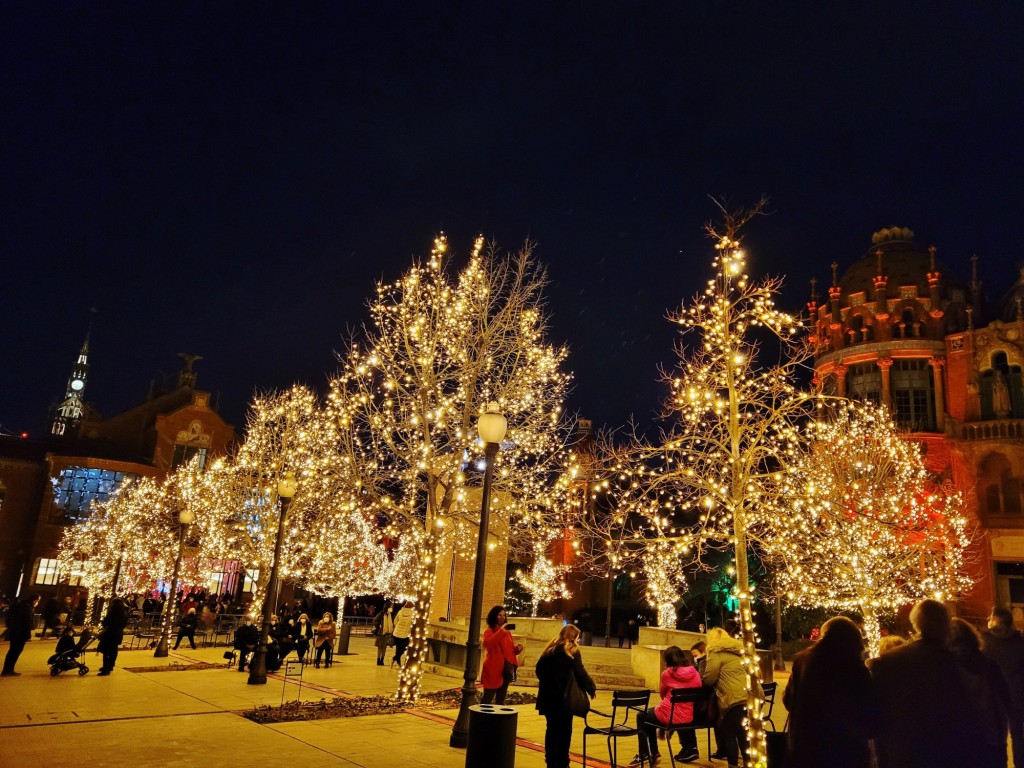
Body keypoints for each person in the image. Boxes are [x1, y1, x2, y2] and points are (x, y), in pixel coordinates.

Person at [870, 598, 973, 768]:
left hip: (903, 752)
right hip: (943, 753)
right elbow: (963, 713)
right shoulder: (952, 662)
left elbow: (878, 712)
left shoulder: (890, 660)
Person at [784, 616, 875, 768]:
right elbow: (865, 712)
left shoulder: (802, 661)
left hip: (806, 749)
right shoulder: (853, 667)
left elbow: (789, 700)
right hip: (844, 752)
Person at [949, 617, 1010, 768]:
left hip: (962, 740)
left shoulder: (946, 668)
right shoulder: (989, 665)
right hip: (991, 736)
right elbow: (1005, 697)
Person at [628, 645, 702, 766]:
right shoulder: (695, 673)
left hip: (671, 714)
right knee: (652, 714)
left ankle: (647, 753)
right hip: (687, 715)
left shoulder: (667, 674)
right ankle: (655, 752)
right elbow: (698, 688)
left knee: (642, 716)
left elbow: (662, 694)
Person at [535, 624, 596, 768]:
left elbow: (538, 670)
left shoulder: (549, 649)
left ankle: (550, 761)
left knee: (551, 729)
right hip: (564, 698)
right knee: (565, 731)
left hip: (548, 697)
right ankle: (562, 761)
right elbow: (580, 672)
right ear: (574, 638)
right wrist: (591, 688)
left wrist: (548, 682)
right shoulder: (572, 651)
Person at [702, 627, 750, 768]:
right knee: (744, 734)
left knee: (729, 733)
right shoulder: (740, 652)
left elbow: (709, 679)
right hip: (749, 697)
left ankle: (733, 765)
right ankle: (749, 763)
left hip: (732, 698)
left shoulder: (715, 653)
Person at [984, 606, 1024, 768]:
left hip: (994, 697)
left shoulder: (985, 641)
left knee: (997, 737)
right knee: (1019, 737)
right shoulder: (1020, 642)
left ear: (994, 621)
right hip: (1017, 695)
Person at [481, 605, 524, 704]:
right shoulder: (490, 631)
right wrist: (501, 631)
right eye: (499, 615)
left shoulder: (506, 632)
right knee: (488, 696)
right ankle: (482, 718)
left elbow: (509, 649)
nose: (502, 617)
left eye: (504, 615)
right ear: (494, 616)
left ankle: (497, 718)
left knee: (501, 698)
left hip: (505, 669)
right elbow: (488, 644)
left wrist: (517, 649)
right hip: (493, 668)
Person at [2, 593, 40, 676]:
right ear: (34, 600)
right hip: (20, 633)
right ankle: (7, 670)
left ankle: (8, 669)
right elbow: (27, 622)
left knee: (13, 651)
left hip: (16, 632)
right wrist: (28, 635)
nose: (38, 602)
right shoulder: (27, 607)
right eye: (38, 600)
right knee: (15, 651)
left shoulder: (22, 605)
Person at [97, 597, 129, 676]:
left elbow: (107, 622)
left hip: (110, 633)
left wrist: (103, 622)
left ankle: (106, 668)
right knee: (113, 650)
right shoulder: (125, 612)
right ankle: (111, 665)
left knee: (106, 651)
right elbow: (125, 623)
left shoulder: (113, 612)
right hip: (118, 633)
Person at [392, 600, 414, 668]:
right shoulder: (413, 613)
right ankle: (396, 660)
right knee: (404, 648)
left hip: (397, 633)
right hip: (406, 634)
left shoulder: (400, 611)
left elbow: (395, 621)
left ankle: (396, 661)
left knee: (398, 649)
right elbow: (413, 623)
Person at [373, 601, 394, 666]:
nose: (392, 608)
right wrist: (379, 625)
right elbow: (375, 620)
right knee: (380, 647)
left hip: (387, 633)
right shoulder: (381, 613)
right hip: (381, 632)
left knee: (384, 647)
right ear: (388, 607)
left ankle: (382, 660)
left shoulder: (390, 614)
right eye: (391, 607)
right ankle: (378, 660)